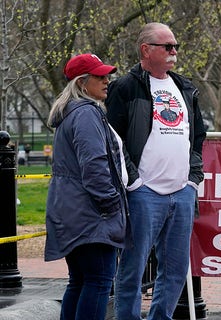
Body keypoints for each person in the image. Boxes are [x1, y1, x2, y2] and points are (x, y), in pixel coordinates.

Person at [105, 22, 207, 320]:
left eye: (176, 46)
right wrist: (134, 182)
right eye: (168, 46)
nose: (174, 51)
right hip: (144, 193)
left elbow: (198, 136)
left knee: (175, 269)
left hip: (181, 192)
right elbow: (114, 139)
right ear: (146, 50)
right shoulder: (125, 87)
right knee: (133, 268)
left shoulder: (185, 87)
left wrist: (192, 179)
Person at [45, 53, 129, 320]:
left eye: (107, 75)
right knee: (99, 281)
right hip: (91, 215)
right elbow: (94, 165)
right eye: (100, 76)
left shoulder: (70, 113)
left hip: (71, 211)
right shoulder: (86, 114)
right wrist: (111, 204)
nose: (107, 80)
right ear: (82, 83)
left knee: (80, 281)